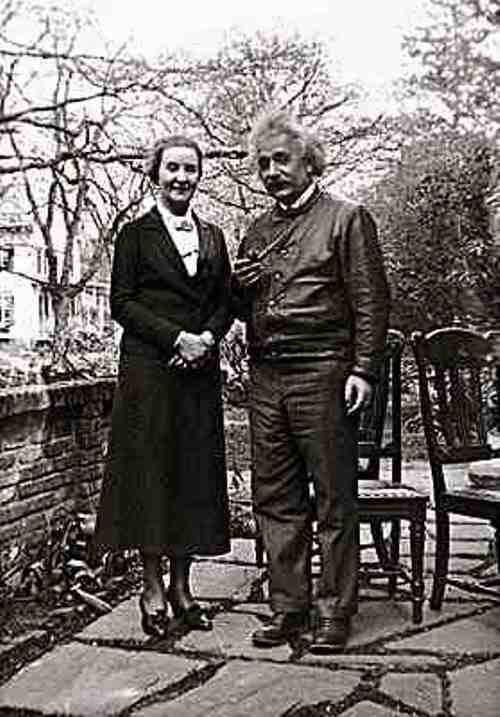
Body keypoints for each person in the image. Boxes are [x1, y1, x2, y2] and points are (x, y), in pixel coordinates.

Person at [232, 110, 390, 653]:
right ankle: (288, 608)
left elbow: (371, 300)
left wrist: (363, 370)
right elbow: (243, 311)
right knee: (275, 496)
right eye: (263, 163)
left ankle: (333, 612)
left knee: (333, 496)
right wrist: (240, 290)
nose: (272, 172)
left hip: (324, 372)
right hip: (266, 377)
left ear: (309, 162)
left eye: (282, 160)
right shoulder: (257, 231)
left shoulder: (347, 218)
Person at [95, 135, 232, 637]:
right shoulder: (135, 235)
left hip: (198, 374)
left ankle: (182, 586)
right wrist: (176, 338)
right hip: (150, 372)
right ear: (156, 173)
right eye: (172, 167)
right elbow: (122, 302)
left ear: (199, 176)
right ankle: (151, 587)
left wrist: (206, 339)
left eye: (190, 169)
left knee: (192, 476)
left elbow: (225, 300)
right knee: (152, 476)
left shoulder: (214, 236)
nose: (181, 177)